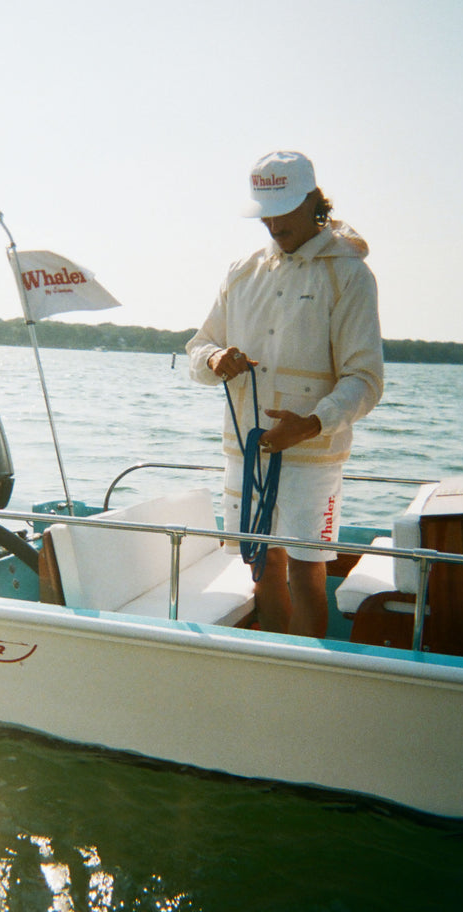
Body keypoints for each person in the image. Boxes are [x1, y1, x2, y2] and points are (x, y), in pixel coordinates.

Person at [186, 150, 383, 638]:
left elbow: (365, 379)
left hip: (313, 455)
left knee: (306, 571)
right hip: (245, 449)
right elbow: (197, 347)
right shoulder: (241, 271)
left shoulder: (349, 273)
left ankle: (309, 678)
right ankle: (273, 662)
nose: (273, 223)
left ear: (314, 201)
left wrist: (313, 424)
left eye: (286, 209)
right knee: (262, 566)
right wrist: (215, 360)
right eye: (266, 212)